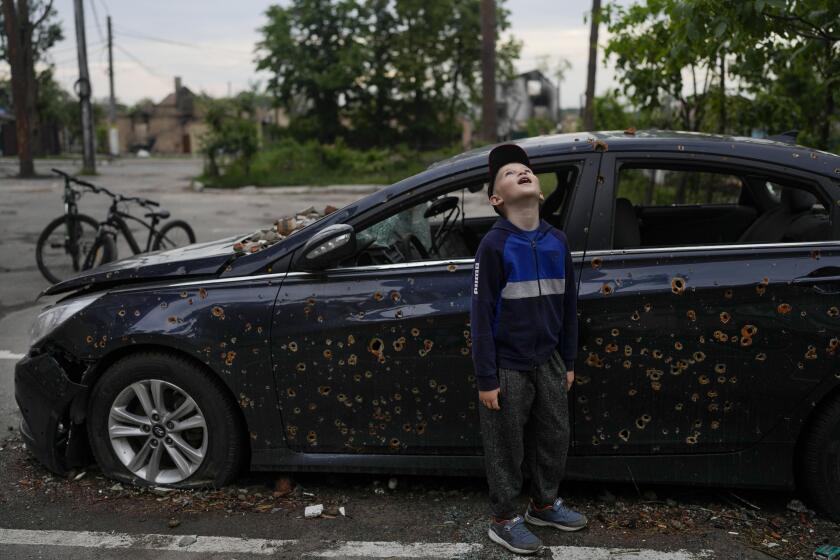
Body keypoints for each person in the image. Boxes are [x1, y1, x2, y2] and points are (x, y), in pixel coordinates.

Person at [471, 143, 587, 555]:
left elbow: (569, 307)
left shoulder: (557, 241)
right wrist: (487, 378)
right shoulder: (494, 246)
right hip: (507, 366)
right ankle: (504, 518)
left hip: (550, 361)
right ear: (496, 199)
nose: (521, 173)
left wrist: (568, 361)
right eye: (508, 173)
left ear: (539, 189)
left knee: (554, 434)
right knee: (507, 445)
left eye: (526, 170)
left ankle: (543, 503)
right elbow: (481, 316)